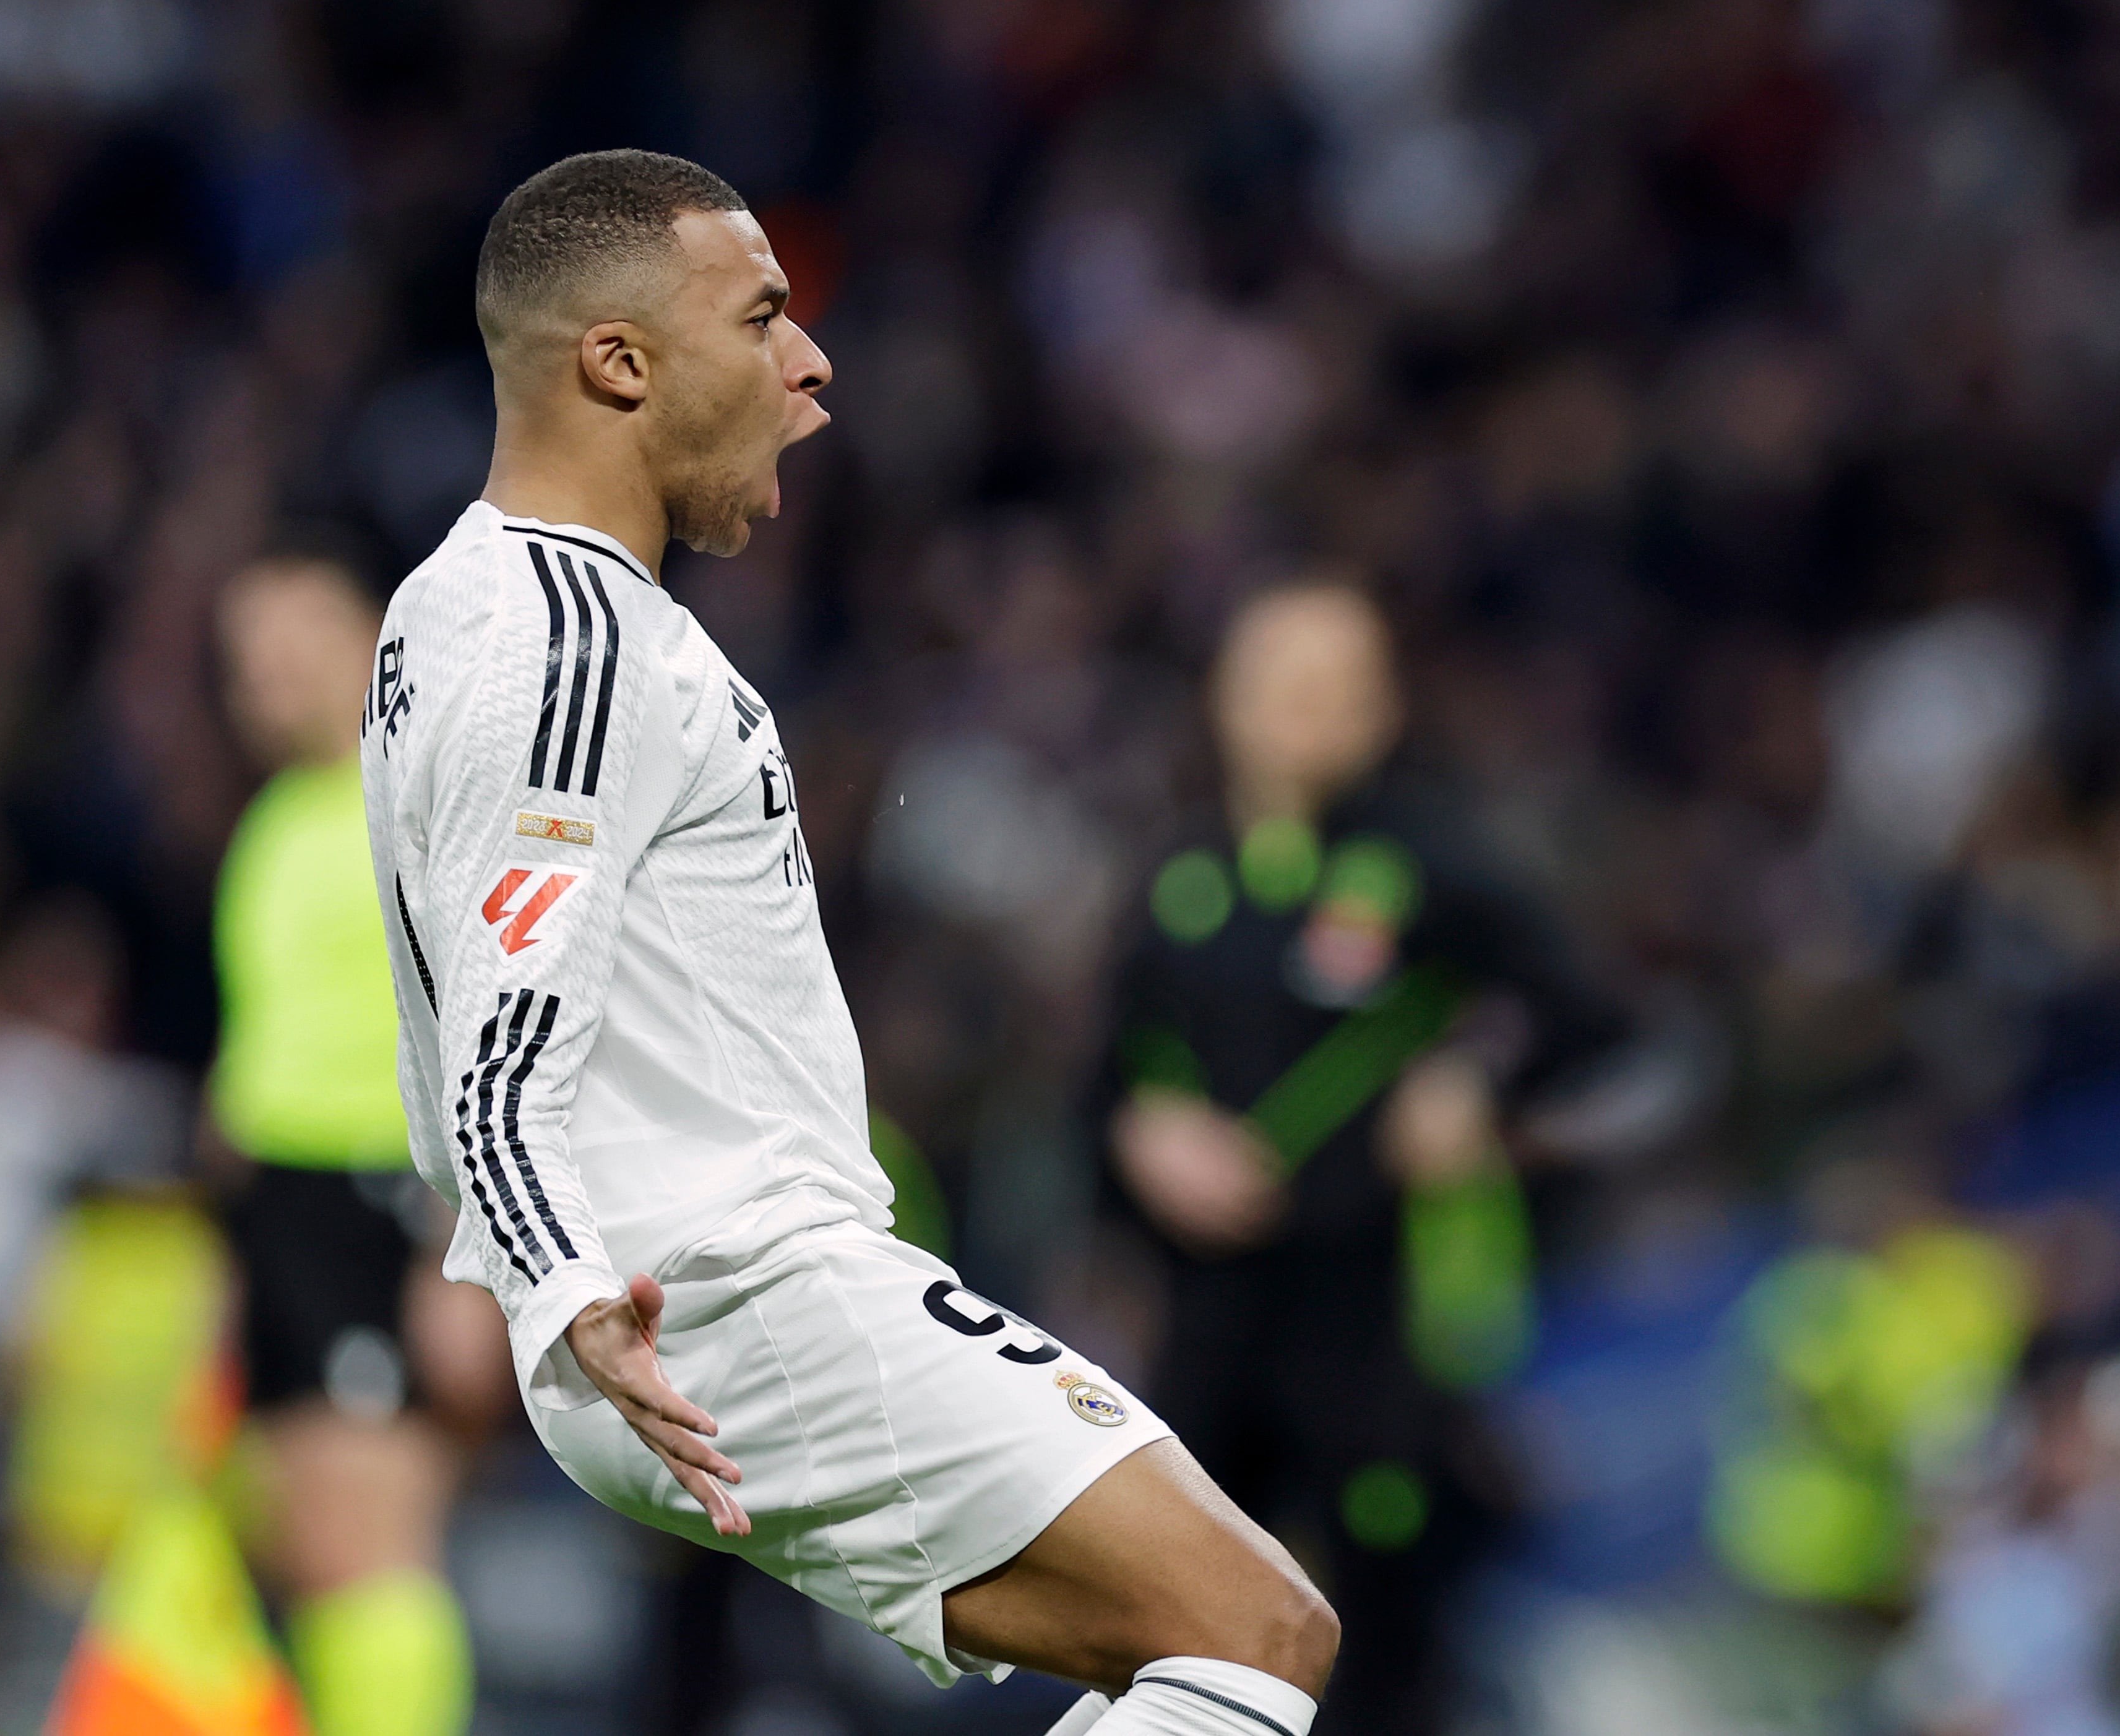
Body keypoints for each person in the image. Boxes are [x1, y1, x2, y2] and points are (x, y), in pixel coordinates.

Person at [358, 149, 1336, 1736]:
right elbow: (500, 1033)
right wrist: (561, 1289)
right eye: (758, 318)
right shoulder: (573, 636)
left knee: (1179, 1643)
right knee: (1258, 1628)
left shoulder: (458, 607)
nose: (809, 364)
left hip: (686, 1296)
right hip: (720, 1291)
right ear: (616, 360)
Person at [1095, 582, 1653, 1732]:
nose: (1312, 708)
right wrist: (1145, 1138)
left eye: (1341, 683)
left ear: (1384, 706)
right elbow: (1106, 1080)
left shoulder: (1432, 864)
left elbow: (1596, 1023)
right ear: (1227, 700)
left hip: (1379, 1326)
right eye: (1285, 681)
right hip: (1215, 1320)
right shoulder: (1179, 881)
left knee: (1389, 1635)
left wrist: (1477, 1083)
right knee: (1191, 1630)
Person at [212, 556, 514, 1736]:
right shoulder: (279, 819)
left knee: (373, 1537)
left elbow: (486, 1025)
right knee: (299, 1533)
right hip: (282, 1209)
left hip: (379, 1200)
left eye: (292, 641)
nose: (261, 676)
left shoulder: (421, 799)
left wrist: (463, 1250)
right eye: (241, 656)